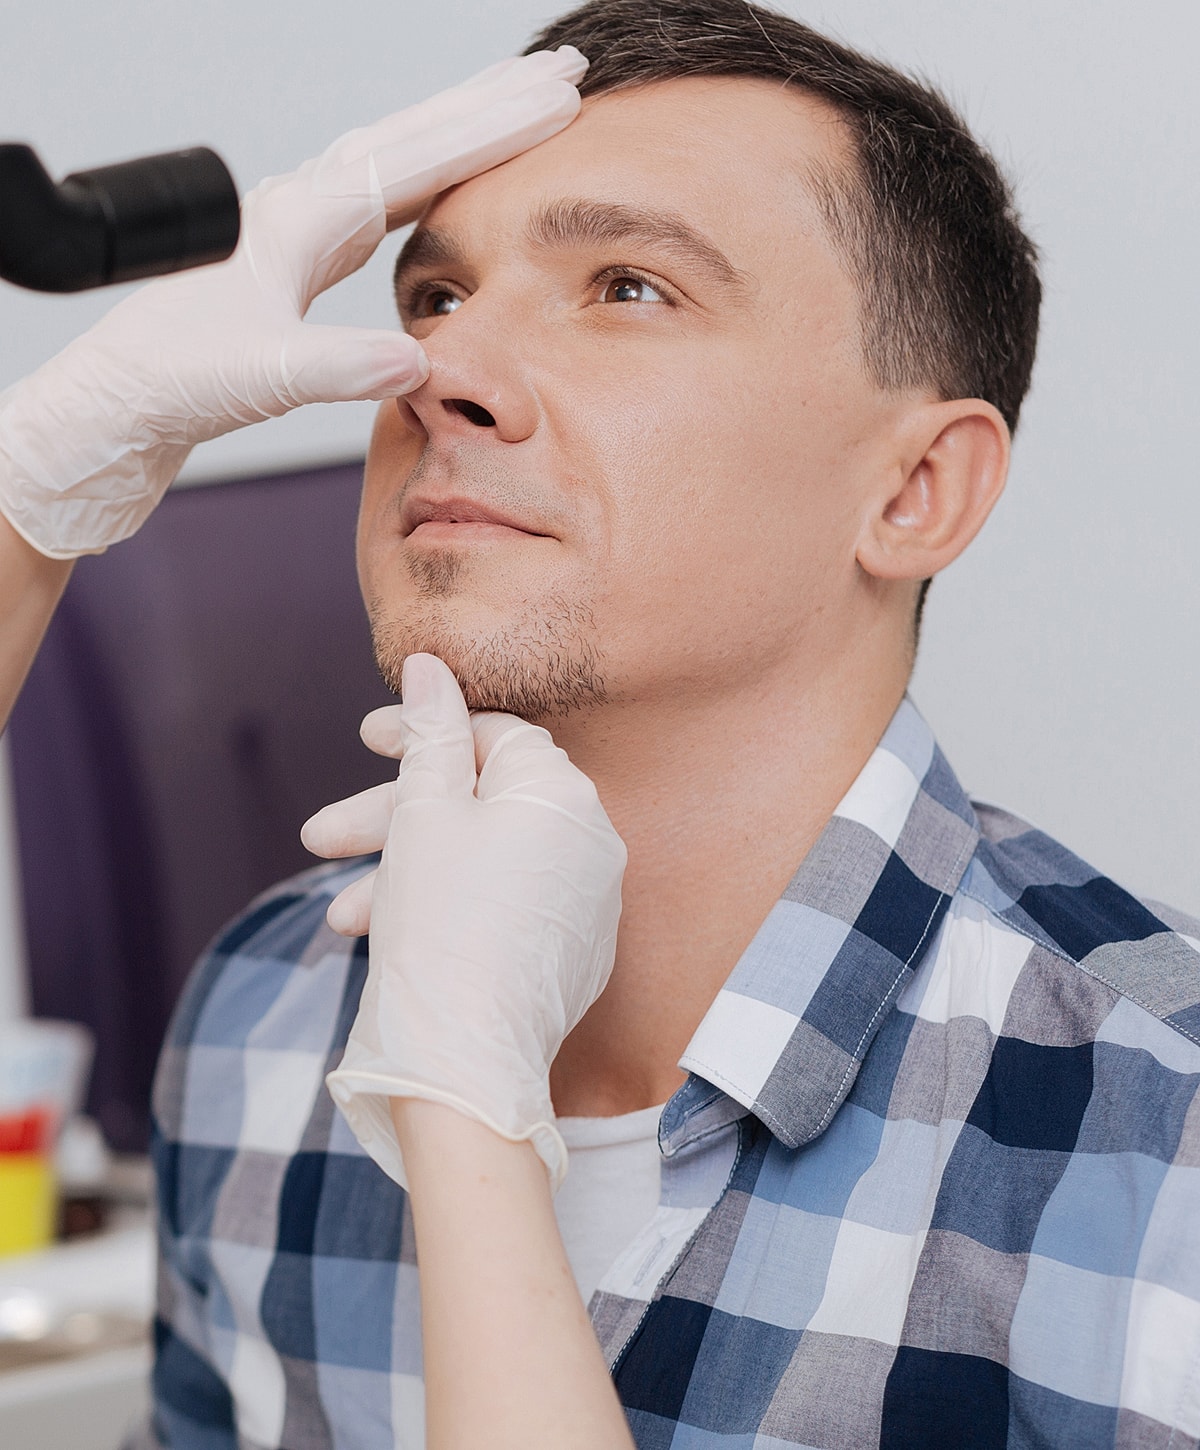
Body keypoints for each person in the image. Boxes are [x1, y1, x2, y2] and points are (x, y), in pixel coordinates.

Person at [3, 2, 1198, 1447]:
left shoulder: (1159, 1134)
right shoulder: (261, 1012)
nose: (444, 373)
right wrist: (21, 506)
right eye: (433, 297)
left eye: (627, 287)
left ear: (913, 492)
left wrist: (466, 1118)